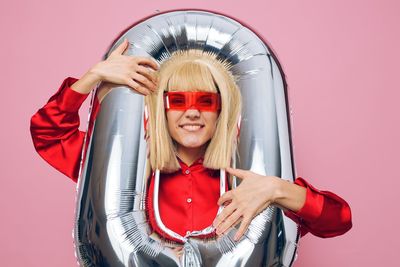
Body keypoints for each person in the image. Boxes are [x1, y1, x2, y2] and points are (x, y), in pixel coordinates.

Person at [30, 39, 352, 246]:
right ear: (162, 110)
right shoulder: (127, 174)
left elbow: (339, 220)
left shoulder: (249, 179)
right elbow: (48, 133)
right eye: (179, 100)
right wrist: (93, 76)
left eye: (206, 101)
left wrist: (277, 190)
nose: (193, 112)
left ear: (221, 110)